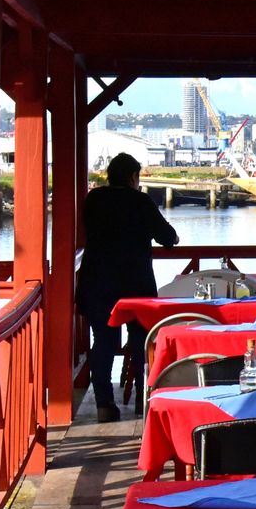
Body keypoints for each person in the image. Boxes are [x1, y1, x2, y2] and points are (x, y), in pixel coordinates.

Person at [75, 152, 179, 422]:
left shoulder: (94, 199)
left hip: (97, 281)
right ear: (133, 177)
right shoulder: (140, 202)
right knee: (141, 342)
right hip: (135, 284)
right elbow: (168, 237)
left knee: (104, 342)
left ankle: (104, 403)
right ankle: (144, 401)